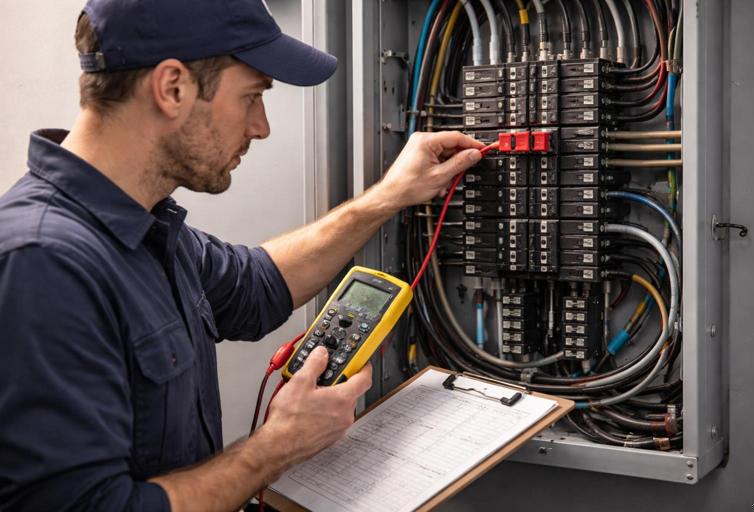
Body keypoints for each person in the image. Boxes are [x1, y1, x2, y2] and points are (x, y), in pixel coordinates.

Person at [0, 1, 483, 510]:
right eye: (252, 97)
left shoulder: (146, 228)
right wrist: (276, 448)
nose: (261, 126)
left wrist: (388, 196)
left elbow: (257, 284)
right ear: (173, 88)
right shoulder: (42, 263)